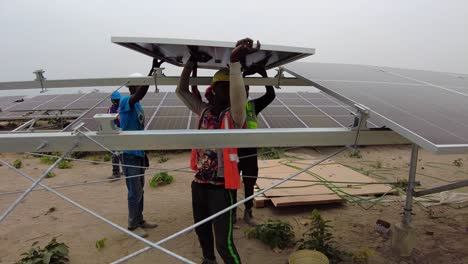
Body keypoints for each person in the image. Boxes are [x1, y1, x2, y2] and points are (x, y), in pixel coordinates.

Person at [177, 38, 260, 264]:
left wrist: (234, 63)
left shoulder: (234, 117)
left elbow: (238, 99)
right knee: (202, 231)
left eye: (230, 89)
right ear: (212, 91)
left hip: (221, 188)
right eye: (221, 88)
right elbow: (181, 90)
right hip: (199, 184)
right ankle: (208, 260)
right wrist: (190, 63)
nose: (227, 93)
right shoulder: (203, 111)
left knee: (224, 242)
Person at [232, 66, 276, 226]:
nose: (245, 91)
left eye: (247, 88)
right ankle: (231, 212)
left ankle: (248, 211)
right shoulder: (227, 106)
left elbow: (271, 95)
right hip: (232, 151)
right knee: (231, 182)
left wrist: (263, 74)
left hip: (249, 150)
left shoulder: (252, 106)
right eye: (242, 88)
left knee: (249, 181)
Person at [120, 60, 158, 238]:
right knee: (134, 191)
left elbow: (139, 129)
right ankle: (132, 225)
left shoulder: (138, 105)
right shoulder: (125, 101)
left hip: (139, 153)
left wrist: (145, 152)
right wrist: (151, 74)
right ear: (131, 86)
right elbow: (139, 95)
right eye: (139, 84)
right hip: (129, 154)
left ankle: (140, 219)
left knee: (140, 190)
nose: (141, 87)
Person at [108, 91, 122, 180]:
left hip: (122, 133)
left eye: (117, 100)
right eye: (114, 100)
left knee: (122, 153)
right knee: (115, 154)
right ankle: (116, 172)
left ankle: (120, 171)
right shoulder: (110, 109)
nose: (116, 102)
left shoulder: (122, 108)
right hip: (113, 133)